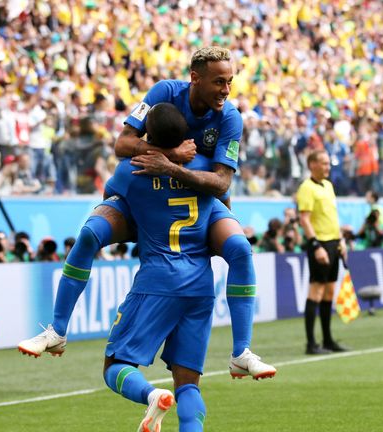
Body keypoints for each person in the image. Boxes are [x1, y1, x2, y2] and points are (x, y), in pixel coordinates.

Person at [18, 47, 275, 379]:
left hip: (198, 201)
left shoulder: (230, 117)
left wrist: (170, 167)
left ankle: (241, 352)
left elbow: (222, 181)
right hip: (141, 198)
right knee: (89, 234)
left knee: (240, 249)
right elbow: (122, 144)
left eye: (230, 81)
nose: (226, 90)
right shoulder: (164, 93)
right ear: (195, 78)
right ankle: (57, 331)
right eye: (219, 82)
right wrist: (169, 154)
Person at [101, 103, 221, 432]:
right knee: (189, 385)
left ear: (147, 135)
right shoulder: (204, 168)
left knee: (115, 366)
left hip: (158, 278)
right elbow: (223, 201)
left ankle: (152, 395)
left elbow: (110, 204)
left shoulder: (132, 169)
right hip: (200, 284)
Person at [297, 150, 348, 355]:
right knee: (316, 291)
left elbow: (332, 217)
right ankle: (311, 343)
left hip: (333, 242)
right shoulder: (306, 188)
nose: (328, 167)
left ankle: (327, 339)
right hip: (320, 244)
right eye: (324, 163)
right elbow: (305, 219)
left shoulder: (328, 185)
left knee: (329, 291)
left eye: (329, 163)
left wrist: (341, 240)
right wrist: (315, 245)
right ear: (312, 165)